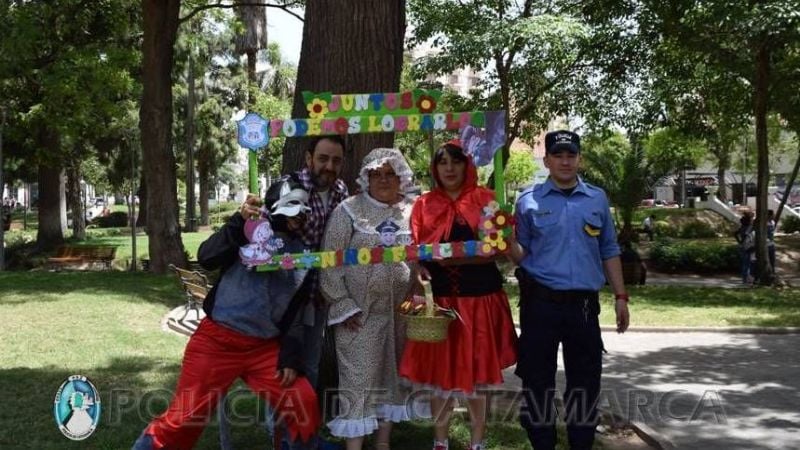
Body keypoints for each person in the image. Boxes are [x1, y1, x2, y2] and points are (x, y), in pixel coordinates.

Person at [132, 179, 320, 450]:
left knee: (303, 401)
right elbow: (206, 257)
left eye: (305, 209)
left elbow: (295, 309)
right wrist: (237, 224)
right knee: (184, 418)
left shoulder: (303, 254)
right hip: (216, 341)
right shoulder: (248, 229)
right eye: (294, 206)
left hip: (263, 348)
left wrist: (290, 354)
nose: (300, 215)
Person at [218, 135, 348, 449]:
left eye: (335, 160)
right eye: (323, 158)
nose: (328, 166)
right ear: (308, 158)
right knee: (282, 363)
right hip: (284, 295)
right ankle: (276, 432)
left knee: (311, 364)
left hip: (318, 292)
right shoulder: (290, 186)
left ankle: (304, 434)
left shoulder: (342, 192)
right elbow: (266, 225)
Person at [509, 130, 630, 450]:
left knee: (585, 384)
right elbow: (520, 254)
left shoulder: (597, 198)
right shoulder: (527, 200)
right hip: (540, 304)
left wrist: (621, 297)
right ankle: (543, 444)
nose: (565, 161)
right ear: (546, 159)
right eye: (558, 155)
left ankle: (581, 444)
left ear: (579, 159)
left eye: (571, 155)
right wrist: (505, 240)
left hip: (584, 307)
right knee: (537, 383)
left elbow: (609, 249)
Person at [398, 140, 518, 450]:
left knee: (477, 376)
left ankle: (477, 443)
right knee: (440, 378)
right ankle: (441, 442)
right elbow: (417, 251)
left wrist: (456, 259)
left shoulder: (487, 200)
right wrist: (419, 269)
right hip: (440, 302)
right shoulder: (424, 205)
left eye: (455, 161)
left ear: (467, 165)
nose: (449, 168)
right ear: (435, 169)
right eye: (442, 163)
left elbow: (499, 250)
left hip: (480, 299)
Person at [320, 148, 419, 450]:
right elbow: (329, 261)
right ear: (366, 177)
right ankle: (354, 446)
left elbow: (420, 258)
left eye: (391, 173)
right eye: (377, 174)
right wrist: (343, 304)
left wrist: (416, 289)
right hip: (359, 315)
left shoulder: (413, 210)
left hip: (398, 315)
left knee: (391, 379)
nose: (384, 179)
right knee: (359, 383)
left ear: (401, 175)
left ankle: (383, 443)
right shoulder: (348, 210)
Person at [735, 212, 755, 284]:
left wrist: (739, 241)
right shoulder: (749, 228)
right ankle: (746, 279)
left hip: (742, 246)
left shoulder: (742, 228)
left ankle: (745, 278)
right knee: (747, 264)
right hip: (748, 247)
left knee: (745, 263)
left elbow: (735, 233)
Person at [767, 209, 776, 274]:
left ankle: (772, 272)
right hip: (766, 244)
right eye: (772, 215)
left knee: (772, 259)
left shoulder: (773, 222)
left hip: (772, 243)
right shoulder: (765, 223)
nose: (773, 216)